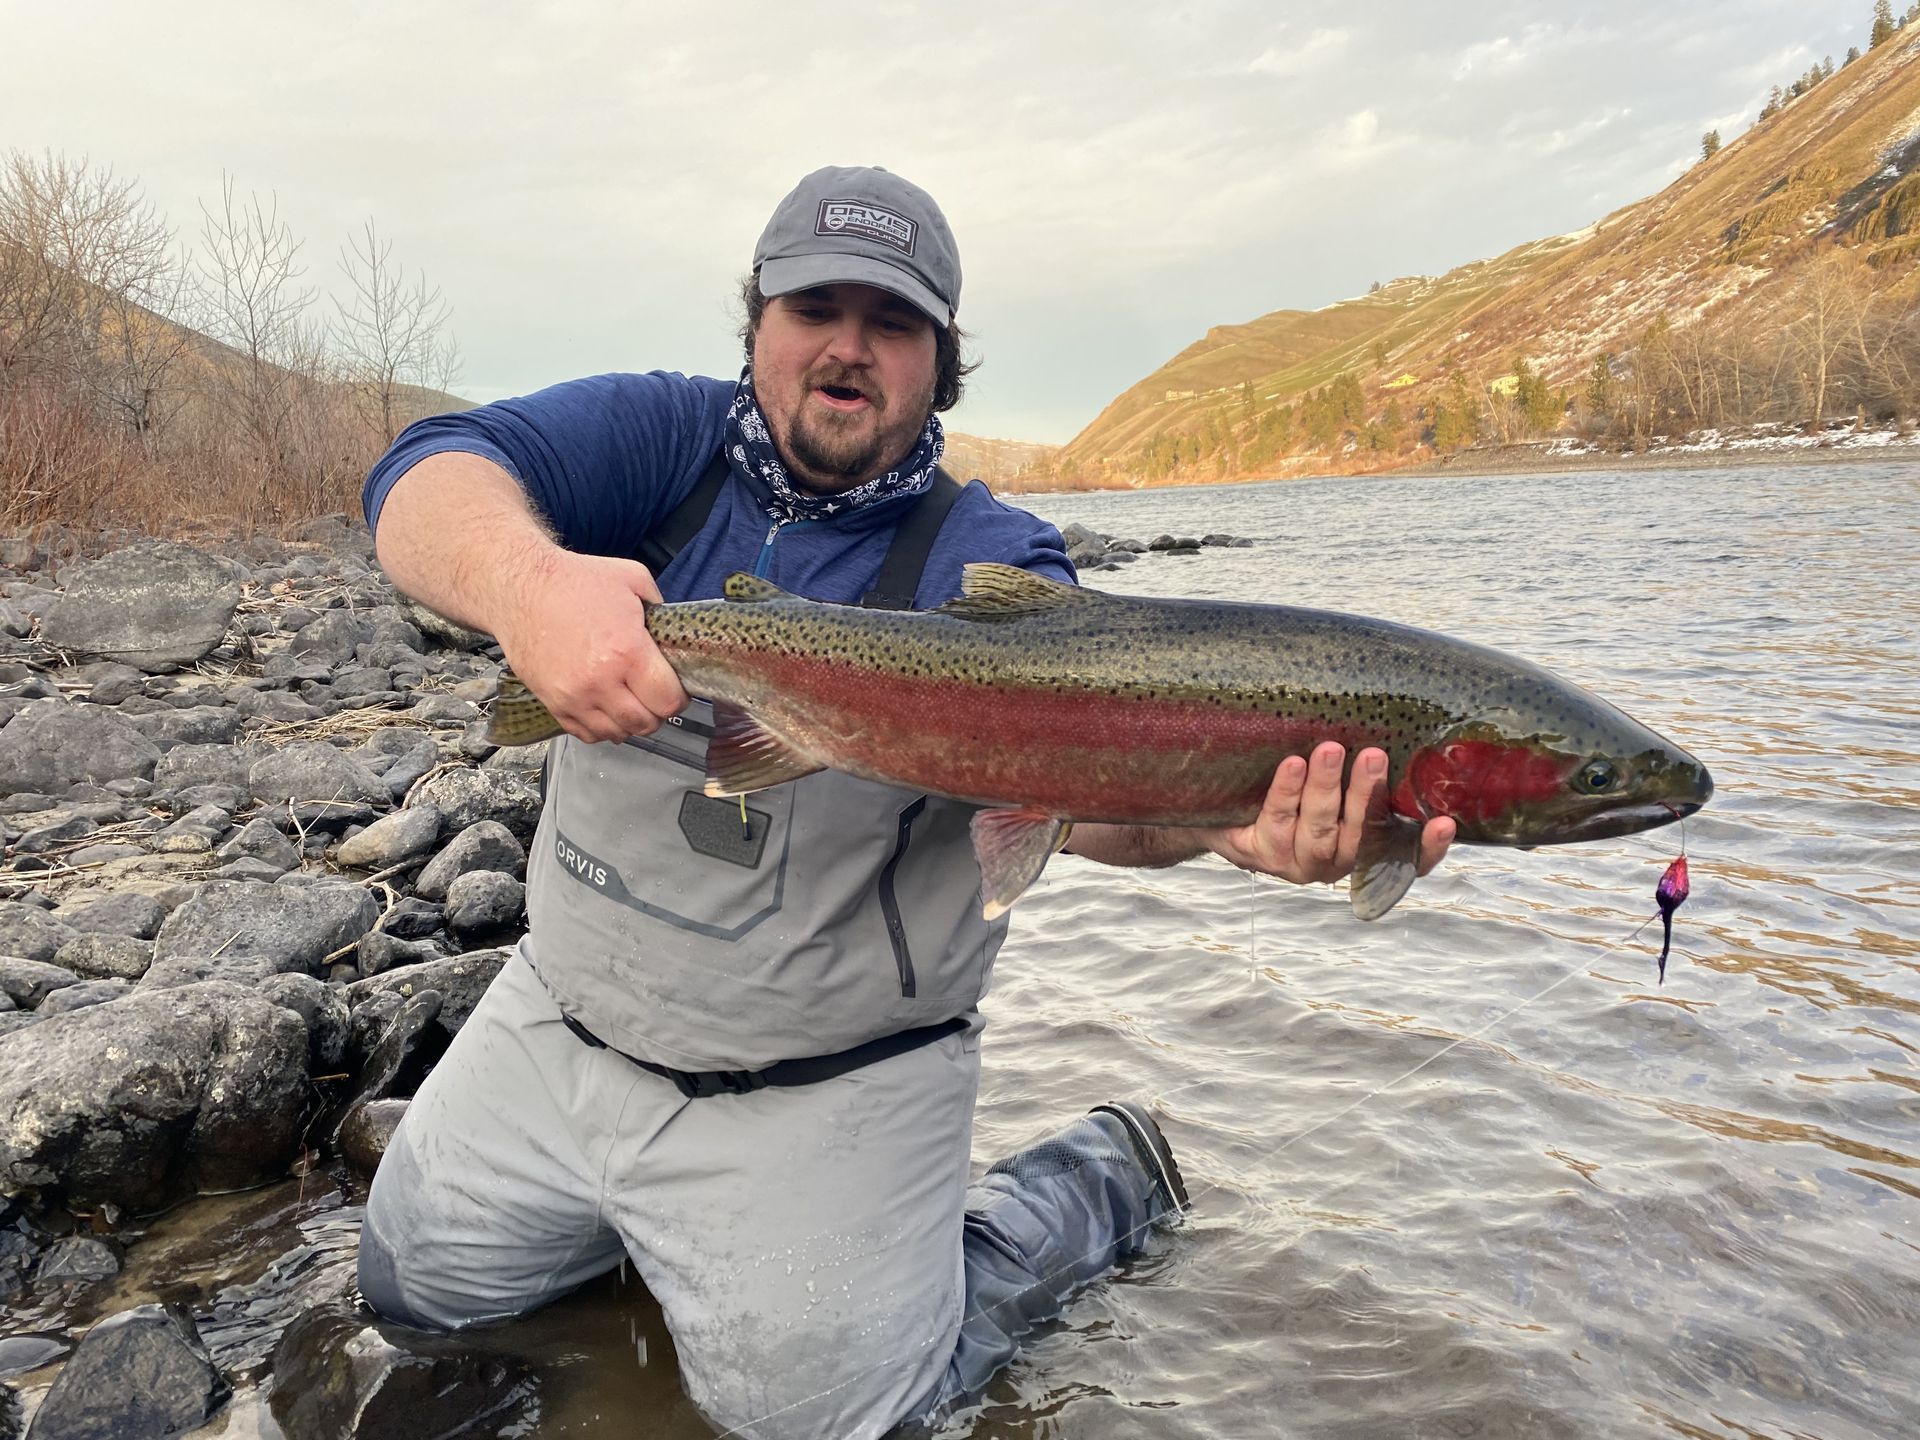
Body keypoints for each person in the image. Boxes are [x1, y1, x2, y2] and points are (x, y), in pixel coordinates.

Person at [356, 164, 1454, 1437]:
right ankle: (666, 1248)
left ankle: (1083, 1191)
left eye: (893, 324)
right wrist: (529, 586)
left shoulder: (992, 562)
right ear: (756, 324)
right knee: (414, 1295)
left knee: (837, 1424)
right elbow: (426, 474)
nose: (849, 347)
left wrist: (1218, 820)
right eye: (815, 307)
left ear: (942, 364)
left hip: (828, 1083)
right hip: (565, 1027)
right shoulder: (664, 439)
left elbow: (1082, 808)